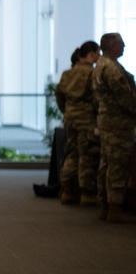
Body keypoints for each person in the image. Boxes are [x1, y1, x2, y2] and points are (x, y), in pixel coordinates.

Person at [91, 32, 136, 224]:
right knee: (118, 163)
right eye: (121, 43)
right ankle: (115, 207)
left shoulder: (100, 64)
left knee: (107, 163)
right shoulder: (111, 69)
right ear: (111, 46)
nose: (124, 46)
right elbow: (126, 99)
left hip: (107, 121)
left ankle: (105, 205)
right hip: (119, 123)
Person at [55, 41, 101, 206]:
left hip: (70, 119)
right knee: (87, 155)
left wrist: (67, 111)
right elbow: (97, 99)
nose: (99, 56)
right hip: (87, 121)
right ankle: (87, 193)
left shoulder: (67, 74)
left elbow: (59, 96)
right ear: (91, 54)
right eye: (98, 52)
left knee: (71, 154)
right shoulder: (92, 74)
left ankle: (68, 190)